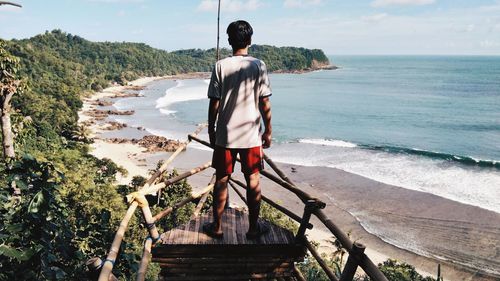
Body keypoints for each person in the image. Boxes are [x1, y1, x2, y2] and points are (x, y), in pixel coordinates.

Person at [204, 20, 272, 239]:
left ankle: (217, 227)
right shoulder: (258, 65)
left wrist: (211, 129)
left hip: (225, 133)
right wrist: (268, 130)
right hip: (251, 133)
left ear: (229, 41)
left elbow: (214, 103)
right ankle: (253, 228)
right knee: (253, 179)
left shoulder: (220, 66)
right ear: (250, 41)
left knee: (221, 178)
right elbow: (264, 103)